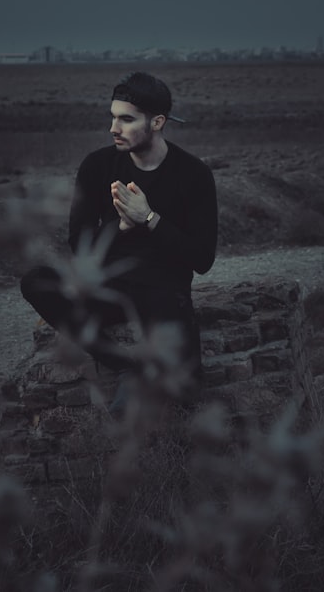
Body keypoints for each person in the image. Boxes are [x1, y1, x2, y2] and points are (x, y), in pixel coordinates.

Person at [20, 72, 218, 412]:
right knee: (36, 281)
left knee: (187, 390)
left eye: (126, 119)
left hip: (162, 290)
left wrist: (151, 219)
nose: (114, 128)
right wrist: (122, 225)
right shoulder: (98, 166)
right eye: (113, 117)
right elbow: (80, 245)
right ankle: (127, 366)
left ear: (157, 122)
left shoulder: (193, 173)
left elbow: (202, 259)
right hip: (107, 285)